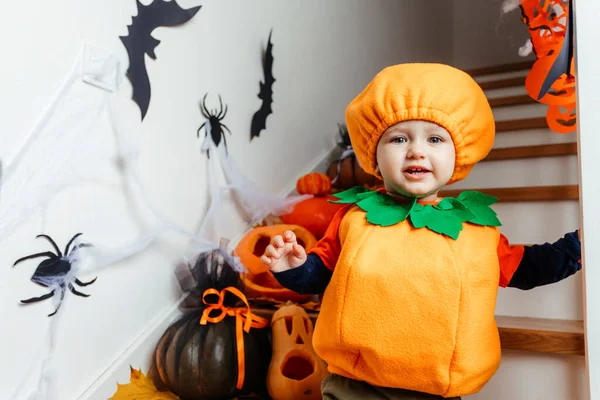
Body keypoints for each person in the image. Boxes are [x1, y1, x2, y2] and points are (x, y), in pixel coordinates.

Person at [260, 63, 581, 400]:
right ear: (373, 153)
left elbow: (526, 267)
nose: (416, 150)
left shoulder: (474, 230)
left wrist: (575, 248)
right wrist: (292, 267)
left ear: (459, 154)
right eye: (399, 138)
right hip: (354, 386)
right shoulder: (354, 218)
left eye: (435, 139)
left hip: (435, 390)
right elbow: (319, 273)